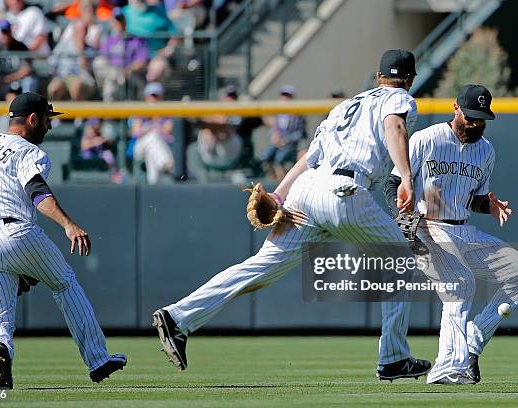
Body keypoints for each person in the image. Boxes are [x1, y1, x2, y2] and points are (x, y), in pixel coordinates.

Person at [152, 49, 432, 381]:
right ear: (410, 79)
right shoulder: (399, 98)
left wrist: (278, 193)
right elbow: (394, 127)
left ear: (377, 76)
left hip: (307, 189)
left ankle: (177, 318)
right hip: (343, 192)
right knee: (399, 257)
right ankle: (394, 358)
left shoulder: (345, 106)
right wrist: (408, 179)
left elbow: (308, 158)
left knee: (260, 269)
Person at [0, 92, 127, 389]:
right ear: (33, 119)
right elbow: (37, 191)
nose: (49, 127)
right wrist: (68, 224)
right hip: (16, 231)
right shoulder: (27, 150)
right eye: (47, 119)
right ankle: (97, 359)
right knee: (64, 284)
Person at [384, 84, 518, 384]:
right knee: (461, 283)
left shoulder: (486, 150)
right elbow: (392, 184)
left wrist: (488, 205)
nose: (476, 123)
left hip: (465, 230)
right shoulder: (426, 139)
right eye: (471, 116)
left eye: (481, 118)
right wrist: (399, 213)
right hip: (427, 227)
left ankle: (472, 341)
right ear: (456, 108)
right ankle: (447, 367)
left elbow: (473, 199)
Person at [93, 7, 149, 101]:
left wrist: (127, 70)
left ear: (125, 21)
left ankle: (110, 112)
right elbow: (103, 60)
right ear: (112, 22)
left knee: (112, 83)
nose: (119, 23)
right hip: (113, 75)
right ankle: (110, 112)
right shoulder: (109, 40)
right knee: (100, 65)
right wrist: (118, 73)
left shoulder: (136, 39)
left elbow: (141, 61)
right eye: (116, 20)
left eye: (121, 20)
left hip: (130, 76)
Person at [129, 82, 174, 184]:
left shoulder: (167, 112)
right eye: (151, 96)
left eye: (157, 96)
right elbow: (135, 132)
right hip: (140, 147)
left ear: (162, 97)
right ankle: (169, 165)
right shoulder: (141, 112)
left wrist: (154, 123)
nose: (154, 99)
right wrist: (151, 127)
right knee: (152, 137)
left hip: (161, 146)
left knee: (151, 151)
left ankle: (153, 186)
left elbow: (168, 130)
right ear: (146, 97)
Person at [260, 85, 306, 182]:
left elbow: (300, 133)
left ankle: (283, 183)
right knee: (265, 157)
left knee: (280, 159)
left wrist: (287, 140)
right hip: (277, 144)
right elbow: (272, 130)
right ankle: (275, 180)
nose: (285, 98)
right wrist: (274, 137)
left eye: (288, 96)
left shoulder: (297, 115)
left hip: (290, 145)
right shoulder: (277, 113)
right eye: (283, 95)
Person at [0, 19, 37, 98]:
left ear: (10, 32)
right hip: (1, 81)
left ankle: (28, 105)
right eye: (3, 32)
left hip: (16, 80)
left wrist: (9, 79)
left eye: (6, 32)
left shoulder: (20, 46)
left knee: (29, 81)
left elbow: (26, 70)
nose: (5, 35)